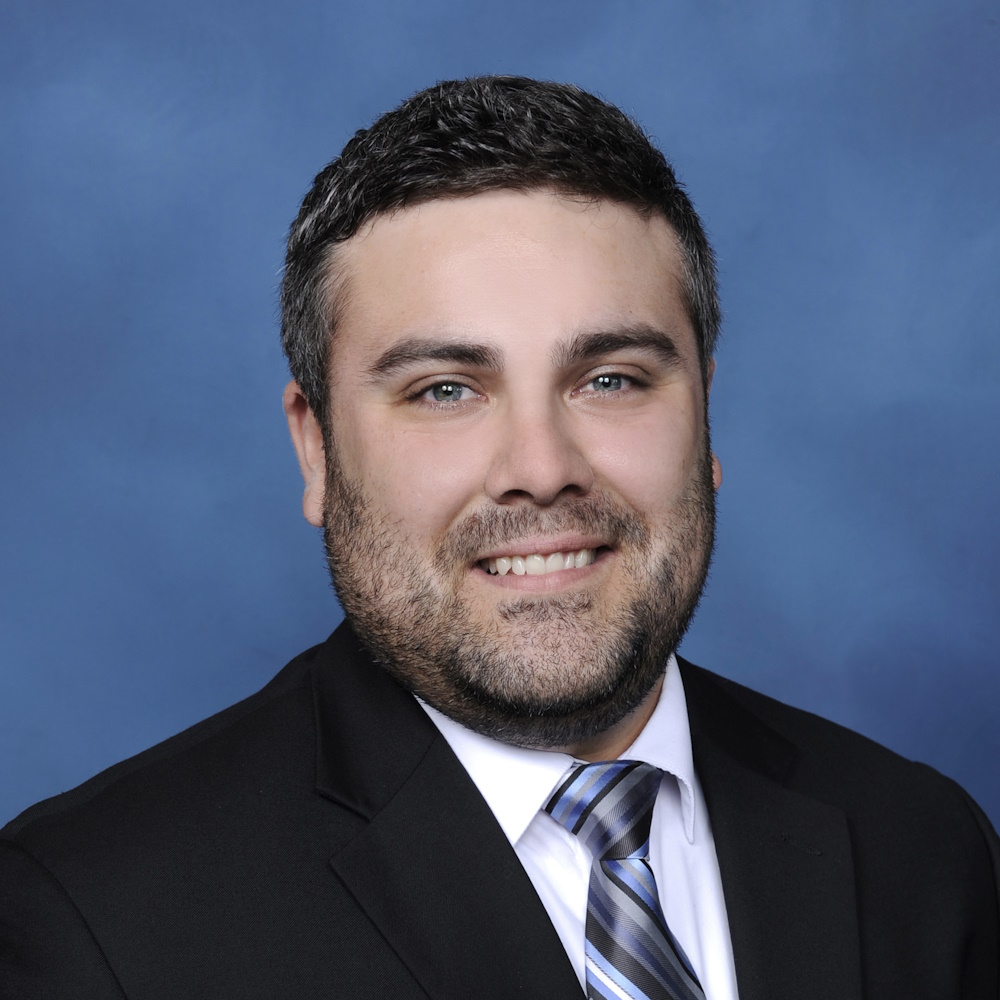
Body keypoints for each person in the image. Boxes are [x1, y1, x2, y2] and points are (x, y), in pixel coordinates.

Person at [1, 76, 997, 1000]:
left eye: (610, 378)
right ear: (315, 450)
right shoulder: (90, 922)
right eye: (445, 390)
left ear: (703, 422)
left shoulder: (918, 844)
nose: (540, 463)